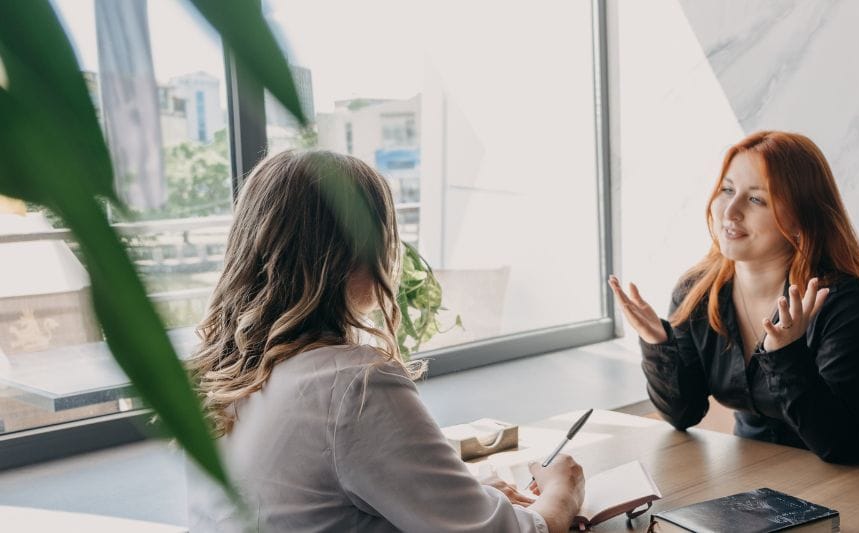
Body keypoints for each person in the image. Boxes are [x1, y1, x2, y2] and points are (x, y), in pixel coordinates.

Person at [186, 150, 584, 532]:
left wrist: (461, 504)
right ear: (351, 253)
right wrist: (562, 490)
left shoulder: (222, 375)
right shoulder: (352, 384)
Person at [609, 131, 859, 467]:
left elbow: (841, 445)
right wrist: (658, 344)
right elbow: (684, 413)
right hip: (763, 489)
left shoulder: (842, 302)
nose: (730, 211)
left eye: (756, 199)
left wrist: (787, 355)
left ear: (800, 218)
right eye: (727, 190)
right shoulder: (696, 292)